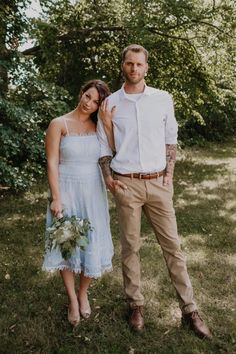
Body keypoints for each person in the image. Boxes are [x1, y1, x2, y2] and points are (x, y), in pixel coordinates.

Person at [97, 44, 212, 339]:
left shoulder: (162, 99)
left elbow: (170, 139)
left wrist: (169, 176)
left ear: (147, 67)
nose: (134, 69)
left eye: (139, 64)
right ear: (122, 66)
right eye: (129, 64)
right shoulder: (110, 104)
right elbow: (103, 146)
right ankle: (136, 304)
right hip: (127, 184)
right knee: (130, 248)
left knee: (173, 247)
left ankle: (190, 310)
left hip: (159, 183)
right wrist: (109, 178)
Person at [42, 80, 114, 327]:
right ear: (81, 93)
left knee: (90, 243)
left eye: (95, 101)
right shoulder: (58, 124)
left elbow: (111, 152)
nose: (89, 103)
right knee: (68, 244)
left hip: (93, 191)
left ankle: (84, 292)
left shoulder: (98, 128)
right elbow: (52, 162)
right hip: (67, 189)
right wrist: (57, 198)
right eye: (87, 96)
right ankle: (72, 298)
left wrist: (106, 122)